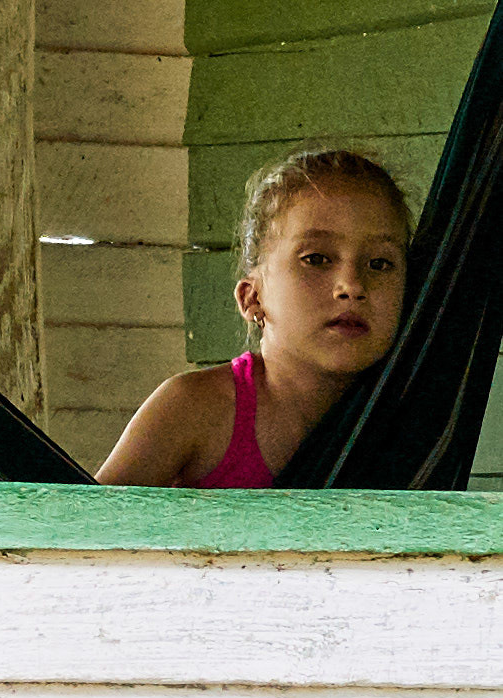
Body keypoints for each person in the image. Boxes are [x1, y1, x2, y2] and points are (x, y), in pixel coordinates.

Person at [95, 150, 415, 489]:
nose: (352, 286)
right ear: (253, 298)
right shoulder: (196, 410)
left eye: (380, 264)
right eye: (316, 259)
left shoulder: (418, 420)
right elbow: (88, 518)